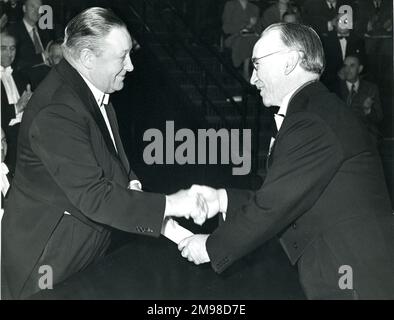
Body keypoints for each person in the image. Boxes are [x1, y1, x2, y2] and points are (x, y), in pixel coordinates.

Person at [1, 7, 207, 300]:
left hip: (81, 248)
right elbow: (95, 195)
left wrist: (177, 232)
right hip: (46, 262)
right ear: (87, 59)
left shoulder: (94, 90)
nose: (131, 66)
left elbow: (115, 167)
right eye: (122, 56)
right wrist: (173, 204)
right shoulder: (57, 110)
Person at [178, 23, 394, 299]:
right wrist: (222, 199)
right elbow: (289, 195)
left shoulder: (311, 119)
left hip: (354, 279)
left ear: (290, 61)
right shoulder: (316, 109)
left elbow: (274, 205)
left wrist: (211, 246)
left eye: (257, 64)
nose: (253, 78)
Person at [1, 28, 32, 177]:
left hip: (25, 137)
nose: (9, 53)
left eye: (12, 48)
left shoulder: (21, 77)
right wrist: (17, 107)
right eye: (3, 48)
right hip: (5, 140)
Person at [336, 55, 383, 143]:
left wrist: (368, 110)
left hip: (366, 135)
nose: (348, 69)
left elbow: (379, 117)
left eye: (352, 66)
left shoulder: (371, 88)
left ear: (360, 69)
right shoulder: (336, 88)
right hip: (342, 135)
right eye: (345, 66)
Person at [9, 0, 54, 71]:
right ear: (24, 8)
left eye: (39, 8)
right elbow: (15, 63)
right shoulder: (13, 31)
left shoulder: (46, 32)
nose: (37, 11)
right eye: (32, 6)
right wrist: (43, 56)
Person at [222, 0, 260, 80]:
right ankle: (246, 71)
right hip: (234, 36)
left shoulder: (254, 8)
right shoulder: (230, 5)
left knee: (258, 41)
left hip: (251, 36)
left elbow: (258, 28)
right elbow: (226, 28)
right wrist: (245, 26)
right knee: (247, 41)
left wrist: (252, 26)